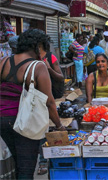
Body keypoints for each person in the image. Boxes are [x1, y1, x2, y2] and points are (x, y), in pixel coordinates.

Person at [0, 29, 65, 179]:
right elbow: (49, 102)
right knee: (25, 169)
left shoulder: (3, 62)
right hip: (24, 122)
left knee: (13, 164)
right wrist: (59, 125)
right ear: (37, 46)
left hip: (2, 120)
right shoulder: (37, 66)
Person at [37, 39, 65, 175]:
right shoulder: (28, 59)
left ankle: (45, 161)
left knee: (46, 129)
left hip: (49, 98)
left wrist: (48, 68)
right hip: (34, 101)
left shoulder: (50, 57)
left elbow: (60, 77)